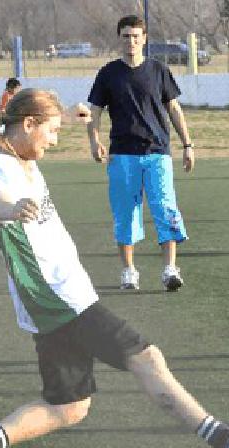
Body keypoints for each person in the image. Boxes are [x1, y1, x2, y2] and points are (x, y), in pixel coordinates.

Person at [0, 89, 229, 448]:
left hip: (49, 301)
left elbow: (32, 135)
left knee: (69, 407)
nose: (55, 140)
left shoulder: (16, 153)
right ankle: (222, 439)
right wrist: (12, 208)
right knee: (145, 357)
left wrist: (72, 110)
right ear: (27, 125)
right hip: (58, 298)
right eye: (51, 131)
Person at [87, 15, 194, 292]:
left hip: (158, 153)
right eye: (126, 36)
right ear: (119, 38)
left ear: (144, 39)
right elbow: (94, 111)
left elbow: (174, 109)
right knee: (125, 213)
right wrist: (94, 141)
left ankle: (170, 269)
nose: (131, 41)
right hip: (122, 154)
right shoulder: (108, 73)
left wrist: (187, 145)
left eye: (136, 36)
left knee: (165, 208)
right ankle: (129, 272)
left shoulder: (159, 70)